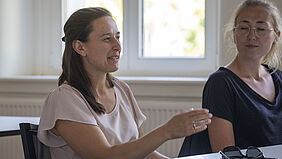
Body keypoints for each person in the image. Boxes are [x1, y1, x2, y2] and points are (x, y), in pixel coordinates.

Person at [37, 7, 212, 159]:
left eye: (117, 37)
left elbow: (142, 152)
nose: (117, 46)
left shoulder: (121, 89)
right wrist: (167, 131)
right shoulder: (65, 99)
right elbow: (105, 156)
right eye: (107, 39)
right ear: (80, 47)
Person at [202, 0, 282, 153]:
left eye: (261, 28)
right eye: (244, 28)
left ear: (276, 36)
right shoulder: (220, 83)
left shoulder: (279, 79)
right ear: (234, 34)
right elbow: (226, 153)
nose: (252, 35)